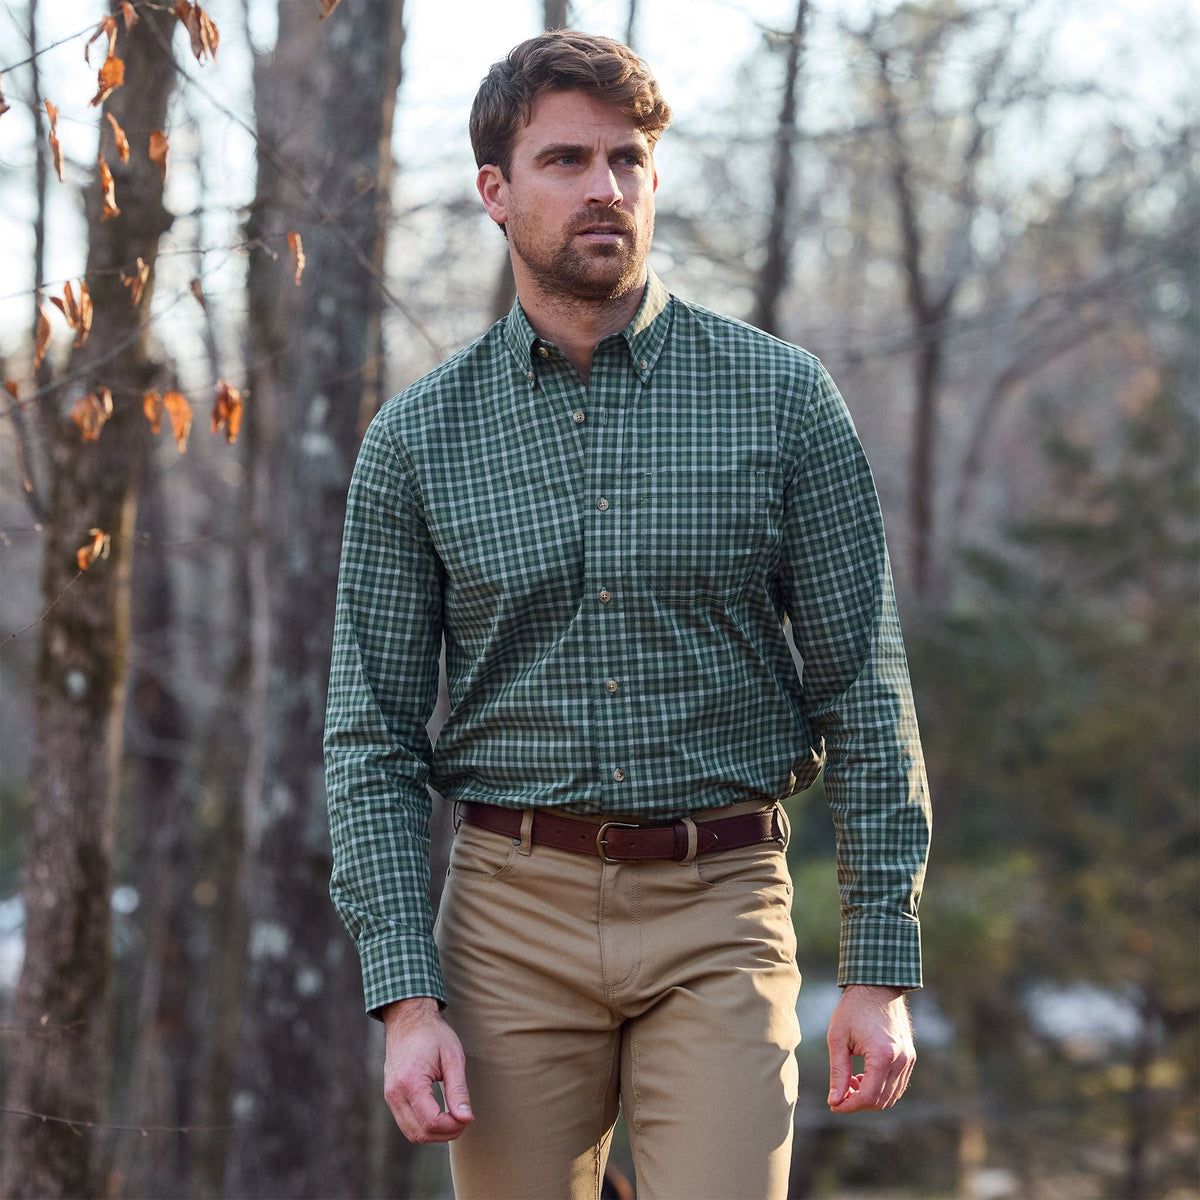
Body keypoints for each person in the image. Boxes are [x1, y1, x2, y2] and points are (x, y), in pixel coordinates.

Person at [324, 29, 931, 1200]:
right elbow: (373, 737)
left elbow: (866, 689)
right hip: (507, 918)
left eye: (627, 158)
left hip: (723, 905)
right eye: (565, 160)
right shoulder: (418, 440)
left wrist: (879, 968)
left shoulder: (782, 401)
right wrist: (407, 1000)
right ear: (496, 192)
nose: (604, 186)